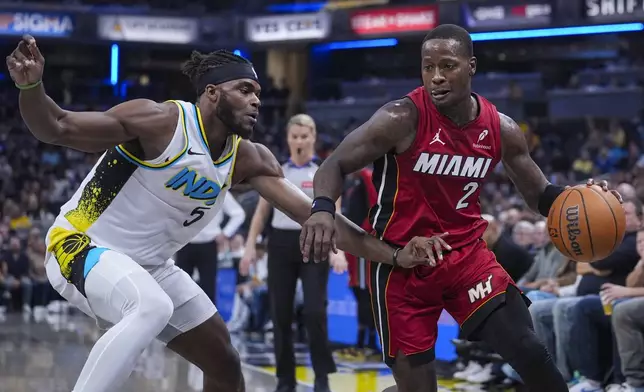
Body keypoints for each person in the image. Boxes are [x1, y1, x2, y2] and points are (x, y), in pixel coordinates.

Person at [7, 35, 440, 392]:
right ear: (213, 93)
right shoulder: (161, 121)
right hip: (80, 245)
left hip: (151, 266)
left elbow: (317, 217)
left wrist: (394, 255)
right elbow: (57, 127)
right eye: (245, 90)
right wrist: (31, 89)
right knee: (151, 307)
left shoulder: (247, 159)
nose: (256, 101)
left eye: (258, 93)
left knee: (226, 366)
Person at [300, 24, 621, 392]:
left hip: (466, 258)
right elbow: (334, 164)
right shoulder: (400, 118)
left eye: (448, 66)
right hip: (401, 262)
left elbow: (540, 195)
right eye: (427, 67)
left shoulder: (500, 128)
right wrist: (323, 207)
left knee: (529, 350)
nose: (436, 77)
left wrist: (580, 195)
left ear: (471, 66)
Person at [241, 114, 345, 392]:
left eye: (304, 136)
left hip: (315, 243)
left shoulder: (325, 171)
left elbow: (337, 213)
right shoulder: (277, 171)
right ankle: (284, 379)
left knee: (314, 312)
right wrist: (250, 246)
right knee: (281, 315)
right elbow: (262, 213)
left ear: (313, 137)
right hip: (281, 245)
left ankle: (322, 377)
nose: (299, 141)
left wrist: (340, 251)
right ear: (288, 139)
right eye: (295, 136)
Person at [176, 192, 245, 303]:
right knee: (179, 289)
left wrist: (225, 233)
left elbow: (238, 214)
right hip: (183, 242)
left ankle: (208, 320)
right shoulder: (182, 185)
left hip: (209, 243)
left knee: (208, 290)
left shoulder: (219, 189)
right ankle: (179, 319)